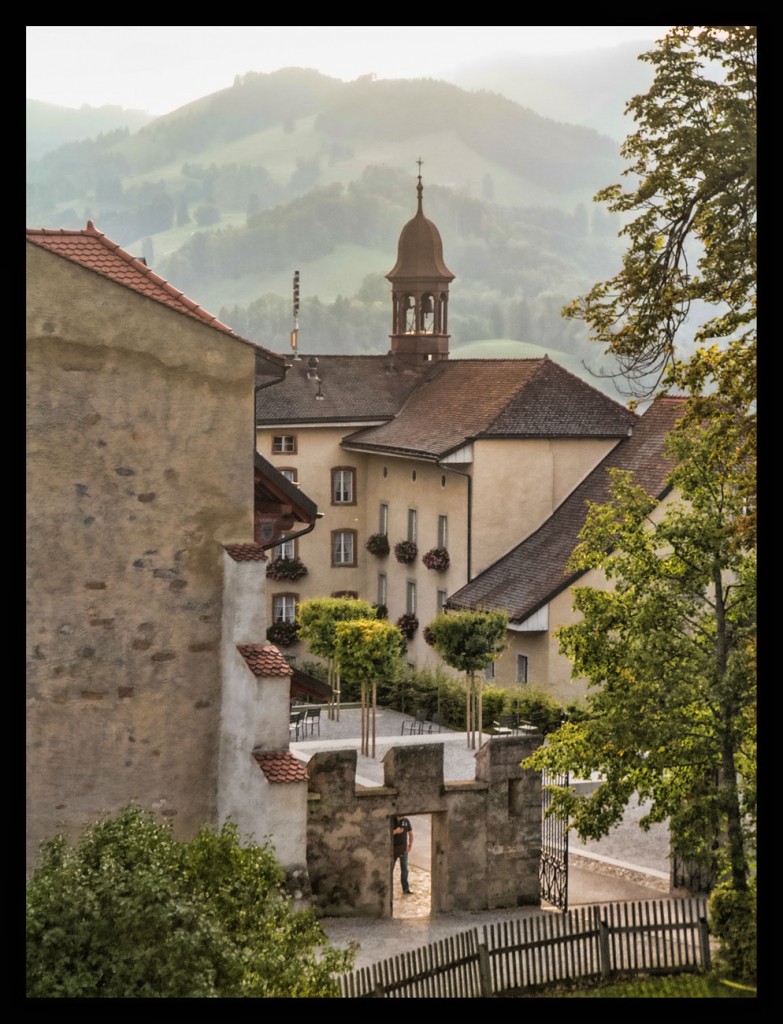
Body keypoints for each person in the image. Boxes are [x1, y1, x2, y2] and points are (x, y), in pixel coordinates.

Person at [392, 814, 414, 895]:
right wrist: (395, 831)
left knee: (404, 869)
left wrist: (410, 845)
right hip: (392, 849)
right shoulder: (391, 820)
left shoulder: (406, 821)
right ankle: (388, 888)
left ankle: (406, 888)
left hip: (403, 849)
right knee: (390, 869)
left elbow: (410, 833)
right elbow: (385, 834)